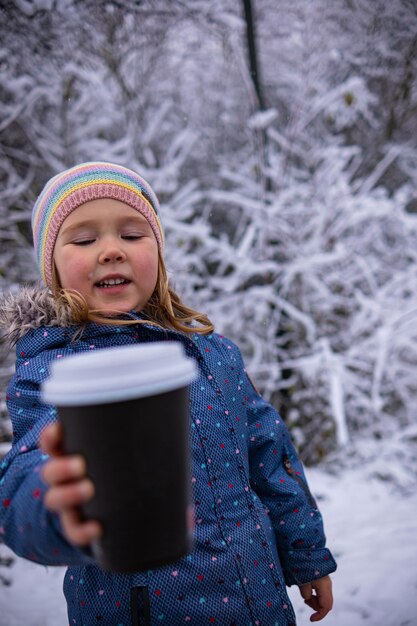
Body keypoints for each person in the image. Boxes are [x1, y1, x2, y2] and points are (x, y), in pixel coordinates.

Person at [0, 162, 336, 626]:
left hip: (260, 601)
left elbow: (269, 457)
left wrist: (305, 555)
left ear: (157, 253)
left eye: (133, 235)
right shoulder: (56, 372)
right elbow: (26, 468)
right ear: (52, 267)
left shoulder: (215, 355)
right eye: (83, 239)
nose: (111, 250)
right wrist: (57, 506)